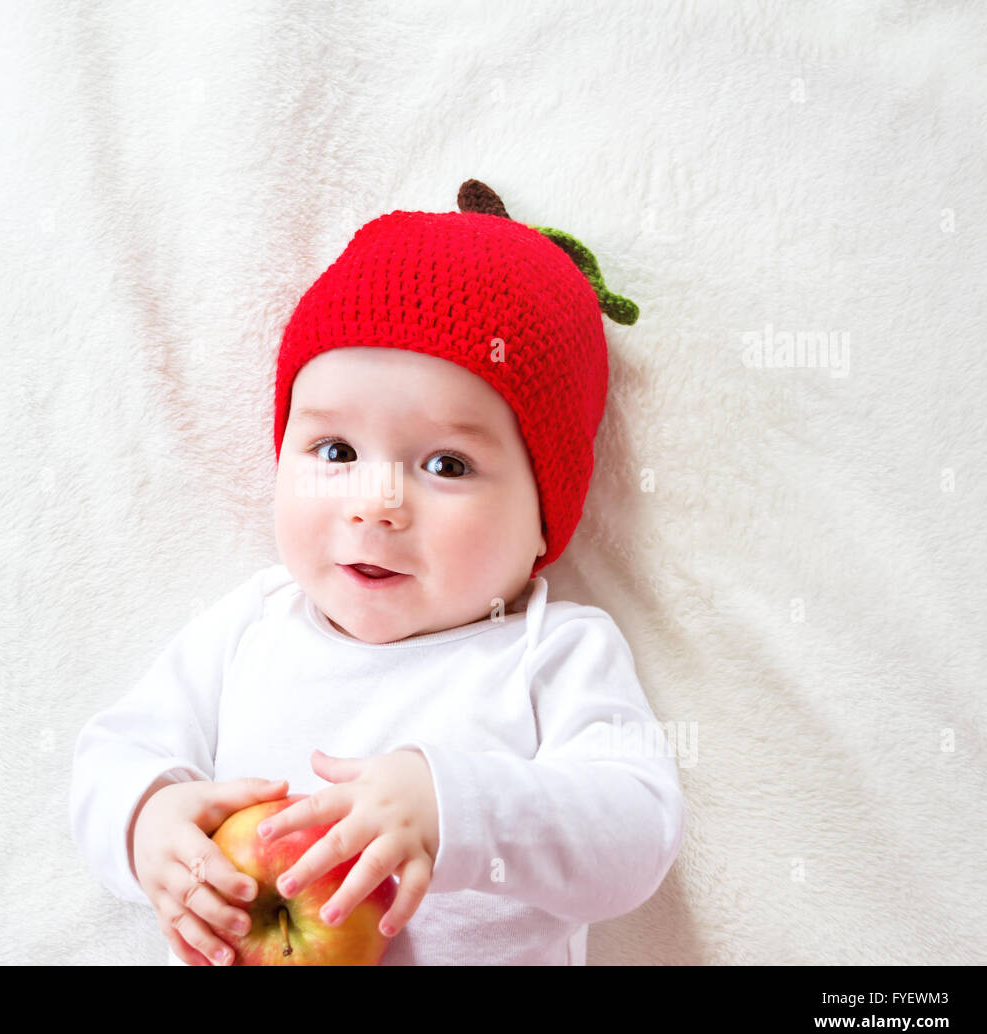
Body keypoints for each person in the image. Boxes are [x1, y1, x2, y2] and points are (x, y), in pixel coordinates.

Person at [69, 179, 685, 965]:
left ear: (543, 518)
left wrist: (452, 808)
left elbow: (636, 831)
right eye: (336, 452)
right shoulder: (251, 627)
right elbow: (111, 752)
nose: (377, 503)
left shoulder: (549, 652)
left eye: (447, 463)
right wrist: (148, 825)